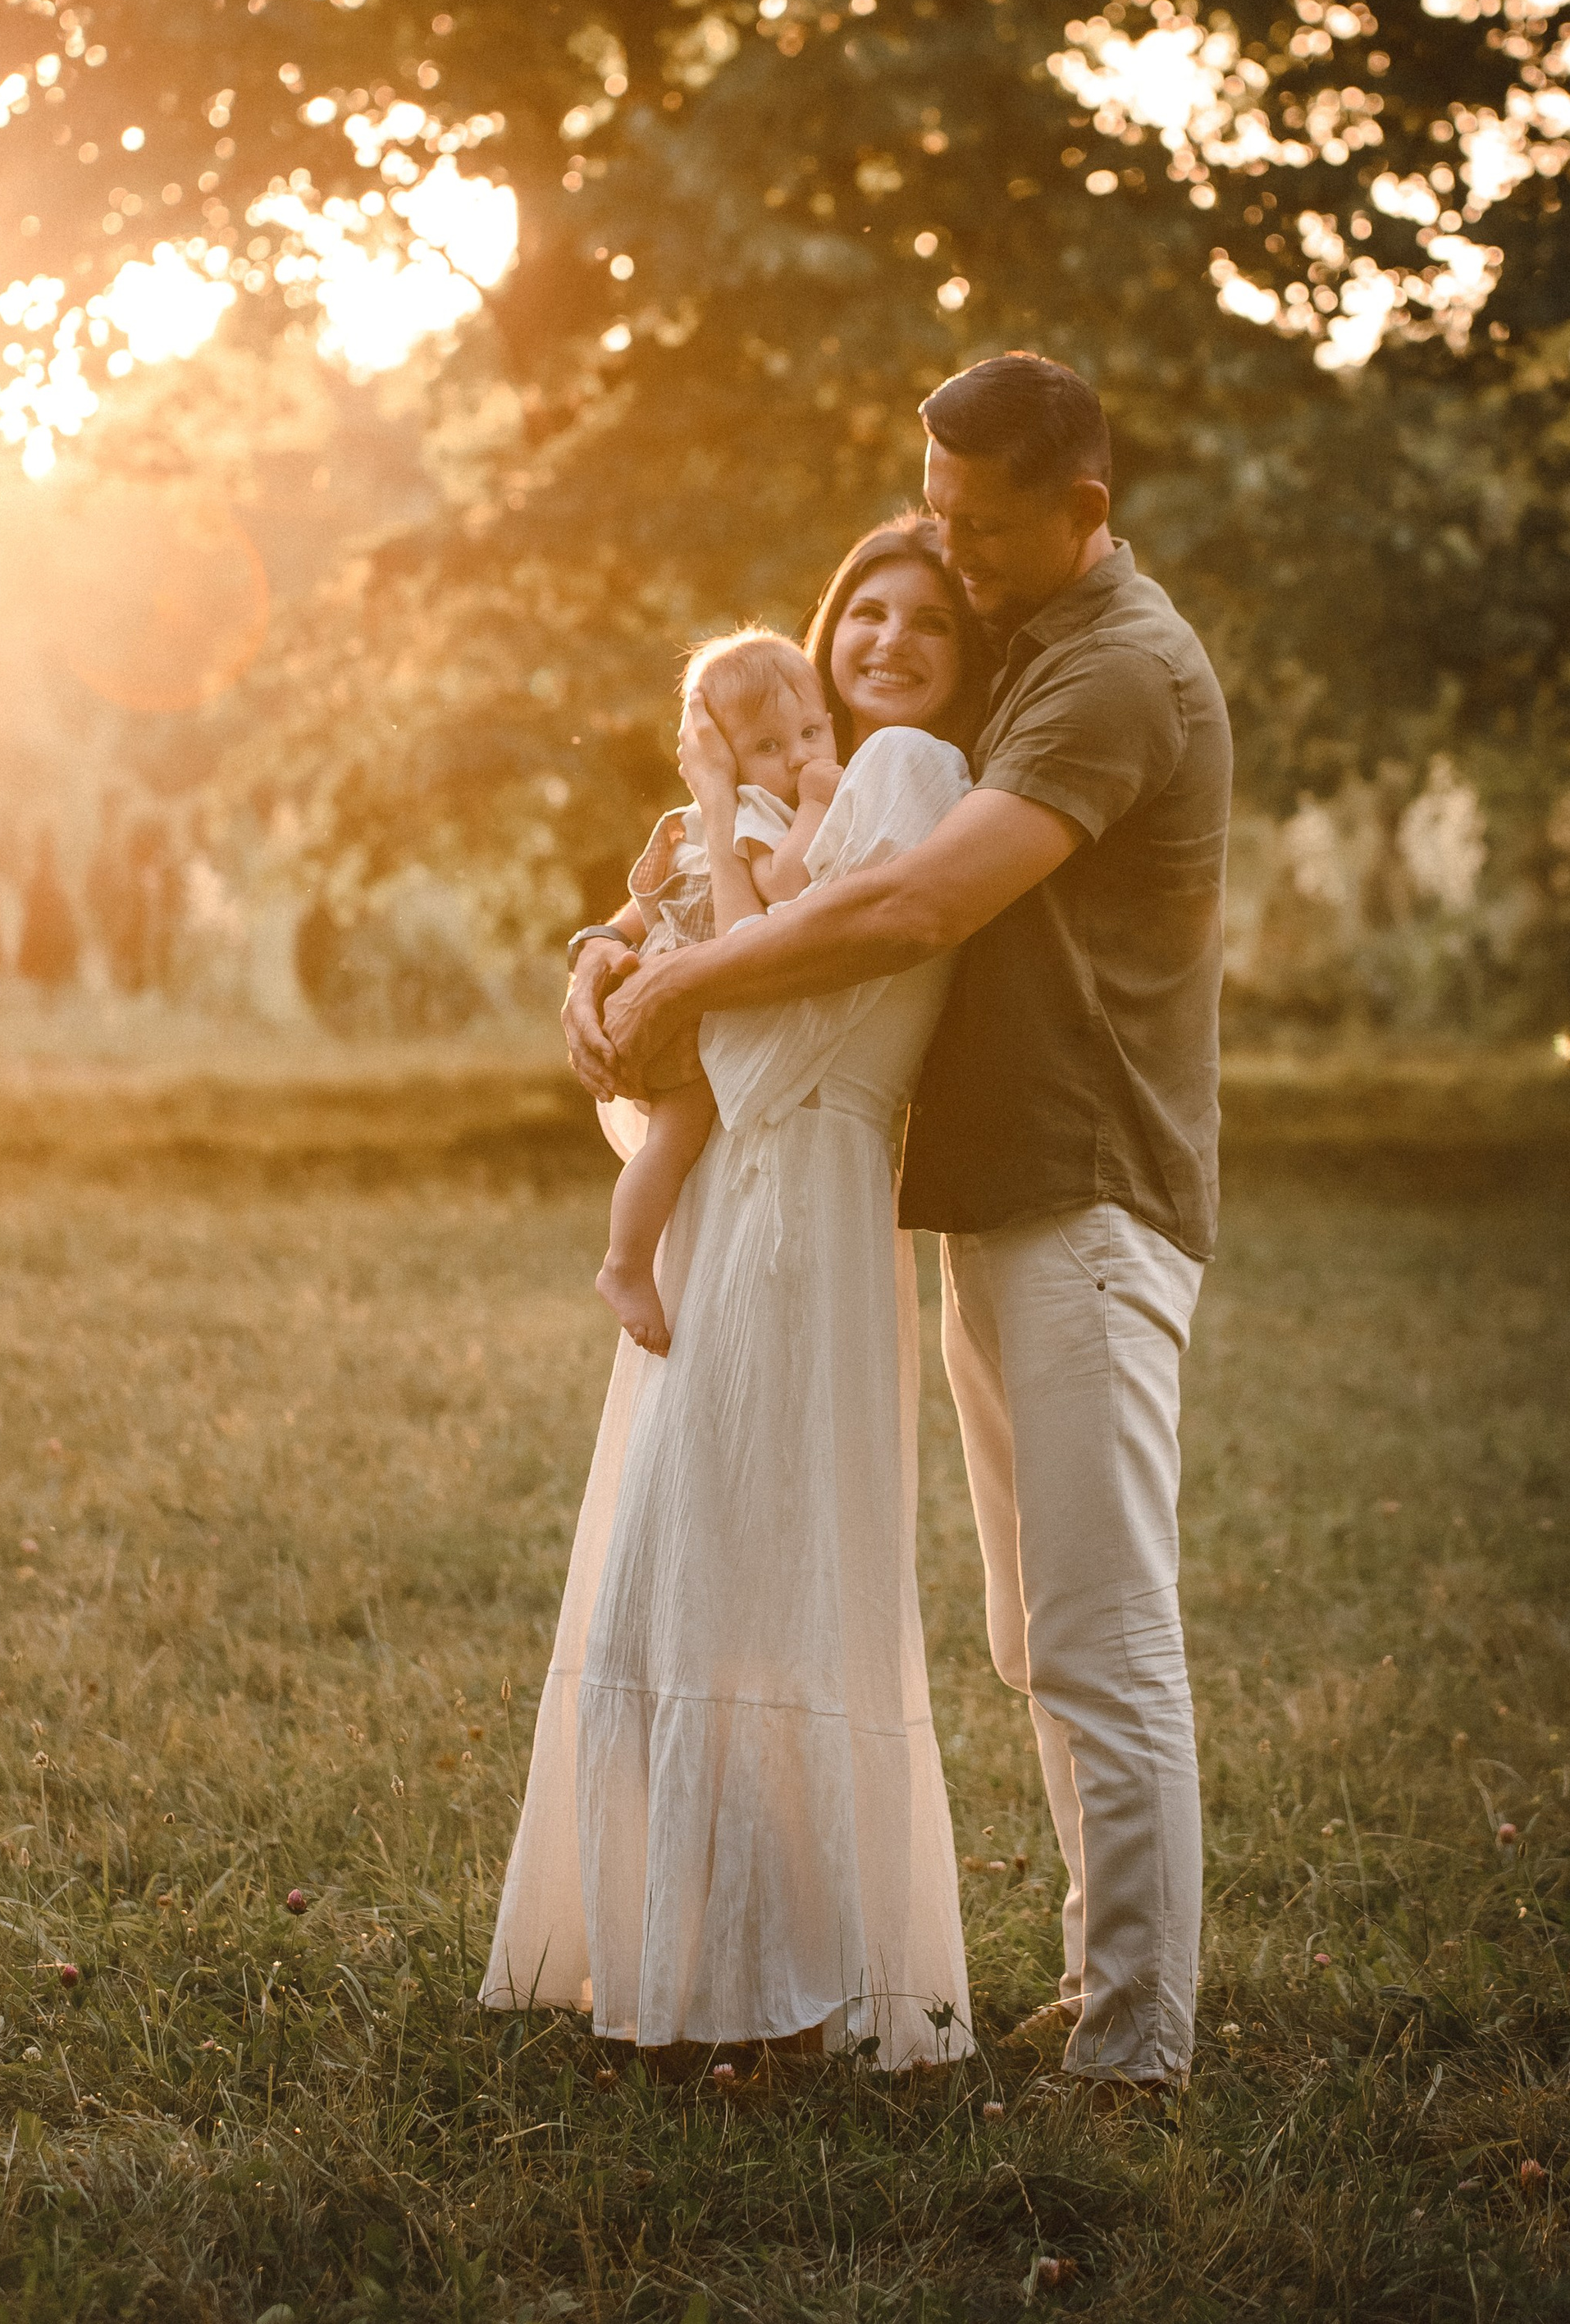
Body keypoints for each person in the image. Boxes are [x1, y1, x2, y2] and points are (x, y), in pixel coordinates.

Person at [571, 356, 1231, 2093]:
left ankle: (1139, 2040)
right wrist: (615, 947)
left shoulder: (1115, 671)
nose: (950, 554)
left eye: (980, 529)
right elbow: (785, 829)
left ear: (1083, 513)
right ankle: (1100, 1985)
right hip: (996, 1196)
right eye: (933, 514)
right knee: (1034, 1630)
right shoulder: (1028, 653)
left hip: (1092, 1192)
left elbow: (917, 900)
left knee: (1101, 1627)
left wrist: (682, 984)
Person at [483, 518, 989, 2071]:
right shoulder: (811, 783)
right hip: (729, 1183)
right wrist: (601, 950)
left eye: (929, 621)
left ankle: (785, 1976)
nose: (890, 639)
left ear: (968, 658)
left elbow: (773, 961)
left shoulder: (913, 776)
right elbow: (697, 924)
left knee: (752, 1569)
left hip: (803, 1180)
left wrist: (666, 944)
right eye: (867, 611)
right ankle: (685, 1950)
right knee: (682, 1563)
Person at [591, 629, 843, 1356]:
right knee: (675, 1138)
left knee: (683, 1142)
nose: (798, 757)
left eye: (810, 732)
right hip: (684, 1014)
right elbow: (781, 891)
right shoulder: (755, 811)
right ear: (724, 759)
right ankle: (625, 1264)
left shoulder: (743, 805)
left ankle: (635, 1260)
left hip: (686, 998)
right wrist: (818, 806)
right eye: (768, 745)